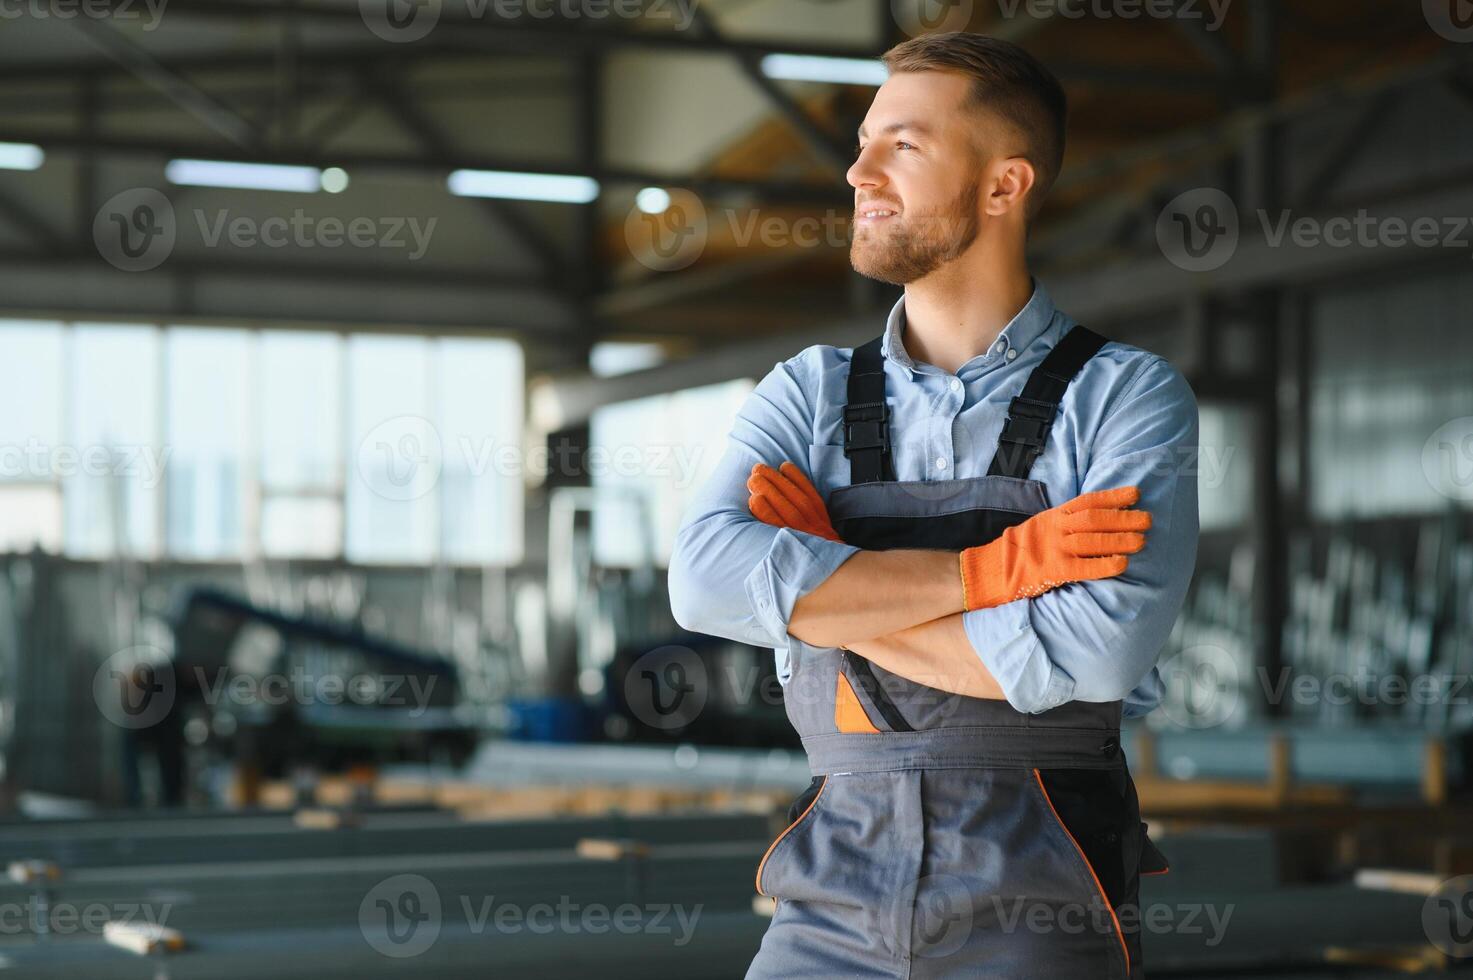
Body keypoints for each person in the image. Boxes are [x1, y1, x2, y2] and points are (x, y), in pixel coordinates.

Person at [668, 30, 1198, 980]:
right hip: (825, 905)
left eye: (901, 146)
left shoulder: (1122, 397)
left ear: (1004, 186)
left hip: (1038, 898)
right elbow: (703, 585)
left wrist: (828, 582)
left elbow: (1097, 651)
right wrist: (987, 575)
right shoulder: (807, 392)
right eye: (866, 141)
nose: (857, 170)